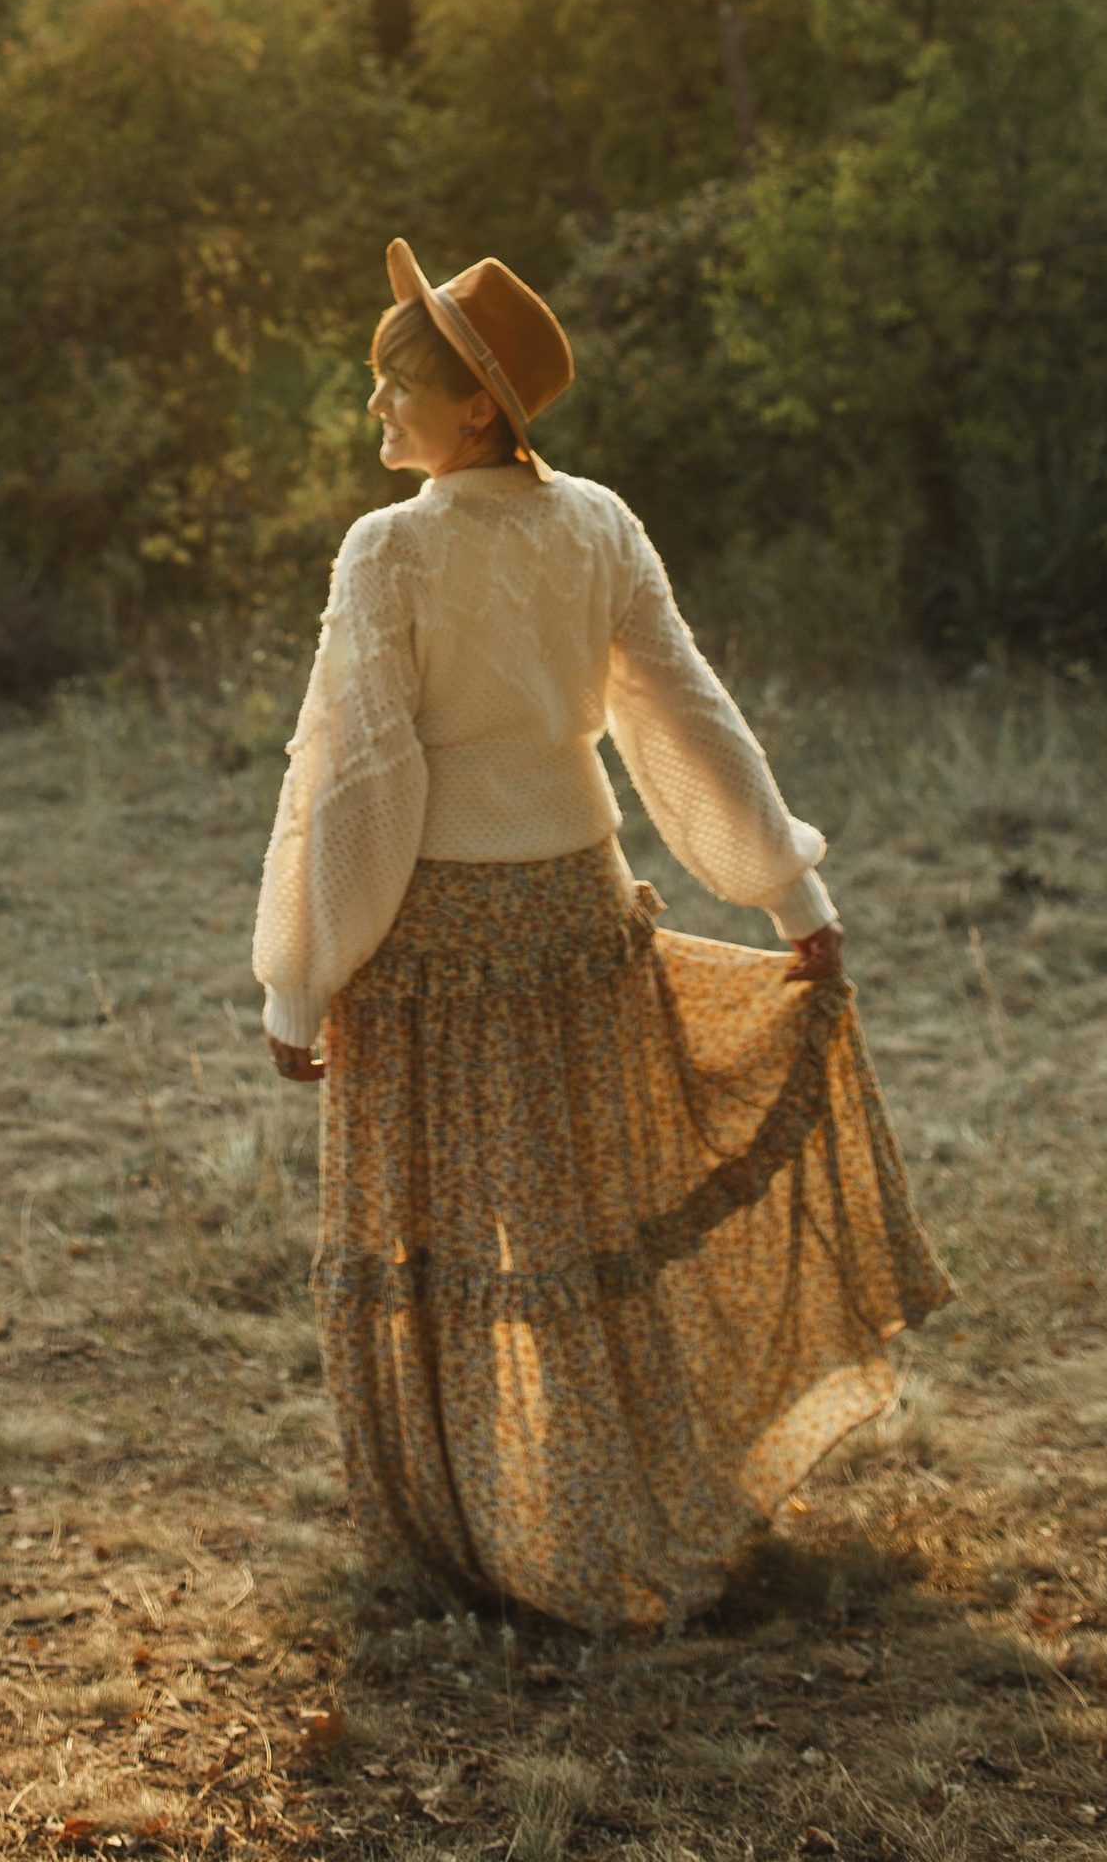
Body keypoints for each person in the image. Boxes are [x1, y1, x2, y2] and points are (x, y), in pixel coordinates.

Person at [252, 239, 949, 1635]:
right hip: (577, 913)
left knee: (456, 1244)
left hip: (439, 938)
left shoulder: (387, 551)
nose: (373, 412)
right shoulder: (600, 524)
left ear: (470, 412)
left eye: (394, 387)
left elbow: (358, 776)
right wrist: (788, 896)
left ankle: (507, 1538)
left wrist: (300, 979)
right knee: (579, 1238)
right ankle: (589, 1519)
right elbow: (688, 718)